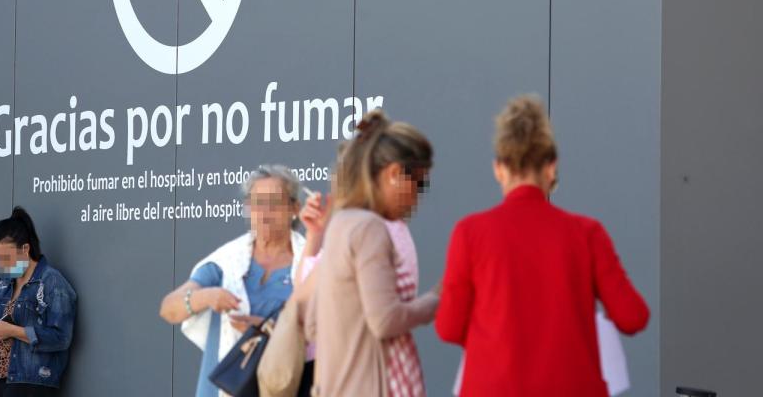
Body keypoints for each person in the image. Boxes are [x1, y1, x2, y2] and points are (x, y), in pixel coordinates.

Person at [435, 95, 650, 397]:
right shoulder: (587, 233)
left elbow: (449, 328)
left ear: (499, 168)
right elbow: (633, 316)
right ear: (551, 167)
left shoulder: (470, 233)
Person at [304, 111, 441, 397]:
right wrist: (436, 300)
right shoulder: (370, 229)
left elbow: (313, 323)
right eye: (419, 184)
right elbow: (385, 319)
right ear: (394, 174)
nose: (418, 198)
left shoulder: (341, 224)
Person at [159, 165, 316, 397]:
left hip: (286, 387)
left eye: (274, 202)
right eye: (257, 203)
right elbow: (169, 309)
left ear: (294, 208)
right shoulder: (227, 261)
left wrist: (269, 330)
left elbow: (329, 334)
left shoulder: (311, 263)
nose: (265, 212)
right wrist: (206, 297)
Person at [0, 207, 78, 397]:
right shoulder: (4, 285)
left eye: (7, 257)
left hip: (32, 382)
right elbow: (6, 330)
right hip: (0, 379)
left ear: (25, 249)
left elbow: (61, 338)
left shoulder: (51, 282)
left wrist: (12, 331)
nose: (2, 264)